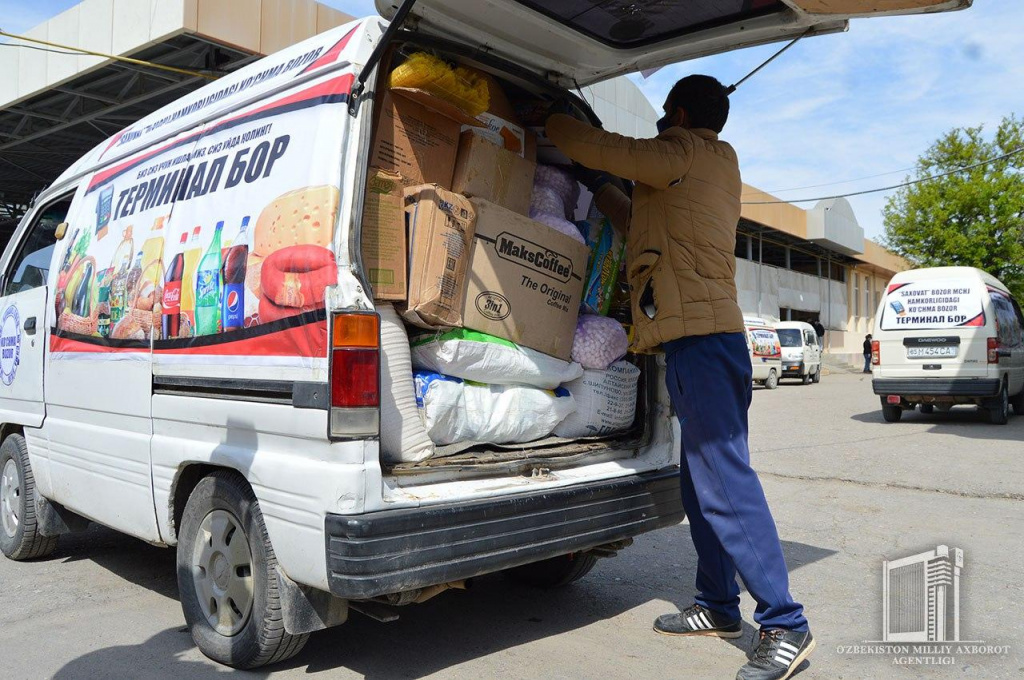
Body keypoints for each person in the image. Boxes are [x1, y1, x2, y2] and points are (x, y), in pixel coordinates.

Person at [546, 75, 813, 680]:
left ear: (681, 114)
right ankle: (718, 606)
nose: (660, 124)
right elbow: (630, 211)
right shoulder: (693, 173)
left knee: (724, 481)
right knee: (699, 484)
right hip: (696, 344)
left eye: (665, 115)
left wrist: (557, 121)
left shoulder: (689, 150)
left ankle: (785, 623)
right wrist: (597, 185)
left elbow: (610, 148)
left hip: (705, 342)